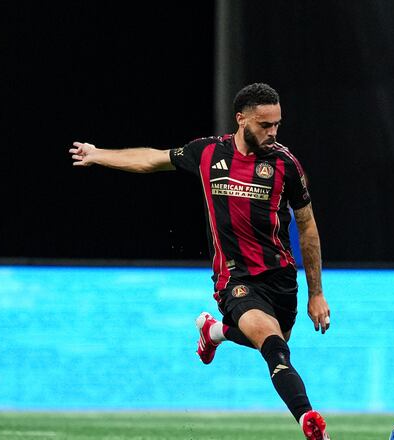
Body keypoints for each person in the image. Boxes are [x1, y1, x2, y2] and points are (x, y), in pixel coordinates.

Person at [69, 83, 331, 440]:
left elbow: (307, 225)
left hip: (281, 278)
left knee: (273, 340)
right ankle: (309, 422)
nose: (273, 132)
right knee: (273, 346)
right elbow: (152, 159)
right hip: (235, 278)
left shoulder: (285, 164)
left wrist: (316, 293)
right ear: (241, 119)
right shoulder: (208, 153)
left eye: (277, 125)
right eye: (264, 124)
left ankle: (215, 331)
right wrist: (99, 154)